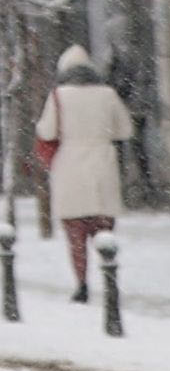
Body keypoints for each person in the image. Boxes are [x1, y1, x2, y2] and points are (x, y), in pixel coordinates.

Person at [36, 46, 130, 294]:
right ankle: (109, 279)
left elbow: (46, 131)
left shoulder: (58, 95)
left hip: (70, 168)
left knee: (76, 235)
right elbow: (125, 130)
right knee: (104, 231)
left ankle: (81, 283)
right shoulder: (108, 94)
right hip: (102, 167)